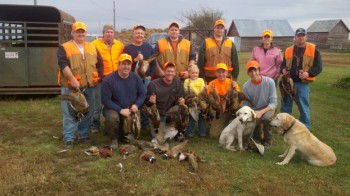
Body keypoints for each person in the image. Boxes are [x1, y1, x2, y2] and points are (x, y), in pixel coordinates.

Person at [57, 21, 103, 149]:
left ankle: (84, 136)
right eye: (78, 32)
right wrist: (72, 79)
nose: (81, 34)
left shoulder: (92, 47)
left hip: (90, 87)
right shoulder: (64, 47)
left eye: (82, 32)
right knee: (69, 113)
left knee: (88, 112)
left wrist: (98, 77)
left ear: (86, 33)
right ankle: (69, 138)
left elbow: (100, 64)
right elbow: (63, 64)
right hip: (71, 88)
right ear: (73, 33)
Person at [280, 28, 322, 129]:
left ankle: (305, 126)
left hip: (302, 83)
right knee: (286, 104)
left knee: (303, 106)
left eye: (303, 35)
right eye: (298, 35)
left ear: (306, 37)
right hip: (288, 82)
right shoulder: (288, 50)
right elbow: (282, 66)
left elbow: (319, 67)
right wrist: (283, 71)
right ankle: (284, 125)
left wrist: (308, 73)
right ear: (295, 37)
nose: (300, 37)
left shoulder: (313, 49)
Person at [102, 53, 146, 149]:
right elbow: (105, 100)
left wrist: (137, 105)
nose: (126, 67)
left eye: (128, 64)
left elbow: (142, 94)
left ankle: (125, 135)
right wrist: (120, 110)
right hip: (114, 108)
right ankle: (113, 139)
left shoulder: (136, 77)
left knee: (131, 137)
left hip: (130, 109)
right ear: (118, 65)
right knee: (112, 118)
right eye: (124, 64)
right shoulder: (108, 80)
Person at [123, 25, 157, 133]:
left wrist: (150, 75)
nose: (139, 35)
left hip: (145, 79)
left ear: (144, 35)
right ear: (133, 34)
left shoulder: (148, 47)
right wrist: (135, 59)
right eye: (137, 33)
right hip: (132, 79)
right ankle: (132, 123)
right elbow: (123, 64)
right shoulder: (127, 48)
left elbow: (153, 64)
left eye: (141, 34)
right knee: (133, 100)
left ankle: (145, 123)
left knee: (145, 100)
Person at [91, 24, 124, 133]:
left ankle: (113, 122)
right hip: (102, 79)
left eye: (111, 32)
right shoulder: (94, 44)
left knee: (114, 101)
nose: (109, 34)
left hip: (115, 78)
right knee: (97, 103)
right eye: (107, 32)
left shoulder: (120, 45)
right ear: (103, 33)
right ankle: (95, 125)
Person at [147, 62, 185, 142]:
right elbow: (147, 103)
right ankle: (158, 131)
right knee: (159, 140)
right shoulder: (154, 84)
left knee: (183, 108)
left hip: (169, 113)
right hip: (158, 115)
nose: (170, 73)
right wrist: (150, 100)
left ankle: (179, 132)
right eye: (168, 71)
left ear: (175, 73)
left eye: (172, 71)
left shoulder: (177, 82)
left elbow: (181, 97)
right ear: (163, 72)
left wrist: (182, 100)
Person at [243, 61, 277, 149]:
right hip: (255, 109)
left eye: (255, 70)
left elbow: (273, 102)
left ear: (259, 70)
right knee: (255, 118)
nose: (253, 73)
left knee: (266, 118)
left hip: (268, 107)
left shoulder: (270, 82)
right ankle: (256, 139)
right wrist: (251, 112)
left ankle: (268, 140)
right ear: (248, 73)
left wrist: (261, 112)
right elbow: (246, 104)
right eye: (251, 71)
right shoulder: (246, 86)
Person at [206, 63, 240, 138]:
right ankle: (225, 125)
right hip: (220, 111)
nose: (221, 74)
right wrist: (212, 91)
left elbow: (238, 97)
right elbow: (210, 99)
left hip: (231, 109)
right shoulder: (212, 84)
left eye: (223, 72)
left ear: (227, 73)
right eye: (219, 72)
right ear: (215, 73)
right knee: (213, 135)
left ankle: (233, 122)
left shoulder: (232, 83)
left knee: (237, 105)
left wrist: (234, 88)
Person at [184, 65, 206, 137]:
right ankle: (190, 132)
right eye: (193, 73)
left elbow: (202, 91)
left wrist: (199, 97)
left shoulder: (201, 80)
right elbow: (186, 91)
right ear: (189, 73)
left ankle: (202, 132)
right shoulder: (187, 81)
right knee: (191, 118)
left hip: (200, 100)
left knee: (201, 118)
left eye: (196, 73)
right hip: (191, 101)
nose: (195, 74)